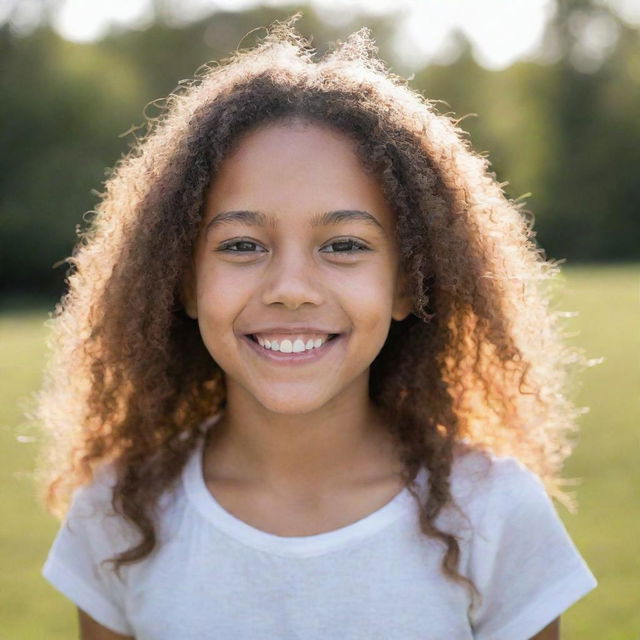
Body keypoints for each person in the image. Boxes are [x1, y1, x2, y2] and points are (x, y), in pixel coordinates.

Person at [36, 15, 597, 640]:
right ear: (185, 283)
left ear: (407, 284)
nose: (292, 290)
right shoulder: (118, 516)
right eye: (243, 245)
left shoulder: (493, 512)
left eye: (345, 245)